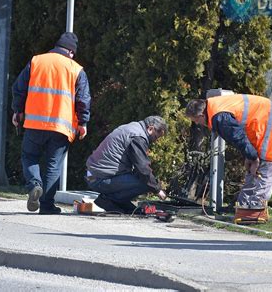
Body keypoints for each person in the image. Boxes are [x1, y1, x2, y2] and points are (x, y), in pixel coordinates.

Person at [12, 32, 91, 214]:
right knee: (53, 166)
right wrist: (83, 123)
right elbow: (83, 100)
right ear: (71, 52)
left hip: (34, 124)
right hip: (61, 127)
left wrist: (18, 111)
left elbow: (19, 88)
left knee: (29, 156)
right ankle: (46, 206)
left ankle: (34, 185)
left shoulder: (36, 61)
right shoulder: (76, 69)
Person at [185, 94, 272, 223]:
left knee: (265, 166)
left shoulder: (220, 116)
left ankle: (254, 213)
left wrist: (252, 156)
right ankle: (244, 210)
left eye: (196, 120)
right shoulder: (215, 109)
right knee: (254, 168)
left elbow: (238, 137)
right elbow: (241, 136)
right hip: (263, 123)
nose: (197, 124)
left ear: (201, 115)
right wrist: (249, 156)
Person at [86, 116, 168, 213]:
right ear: (150, 129)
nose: (156, 140)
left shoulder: (133, 128)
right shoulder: (138, 137)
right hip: (98, 179)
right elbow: (143, 169)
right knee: (145, 182)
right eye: (156, 137)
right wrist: (157, 190)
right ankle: (107, 200)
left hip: (92, 175)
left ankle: (119, 203)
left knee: (143, 179)